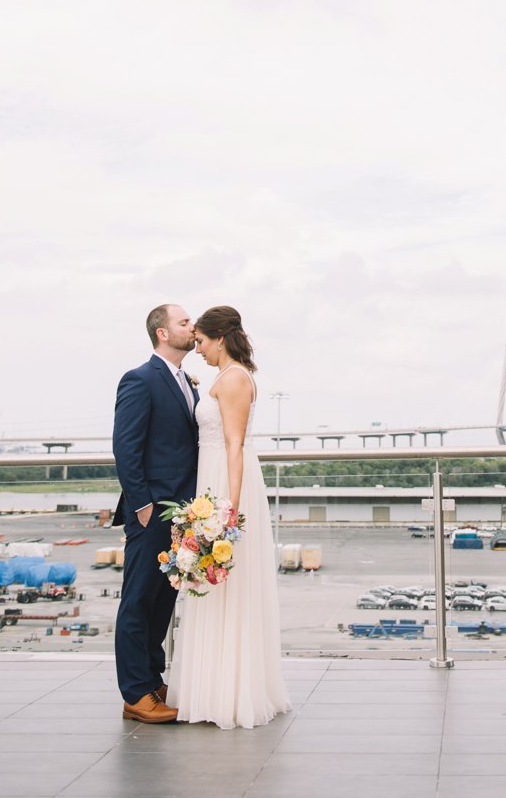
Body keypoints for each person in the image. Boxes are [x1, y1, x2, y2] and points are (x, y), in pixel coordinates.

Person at [166, 306, 291, 729]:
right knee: (213, 590)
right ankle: (213, 685)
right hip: (212, 479)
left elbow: (234, 445)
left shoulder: (235, 378)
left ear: (220, 337)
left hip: (225, 483)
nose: (196, 348)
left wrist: (228, 512)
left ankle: (228, 693)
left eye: (200, 341)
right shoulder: (223, 377)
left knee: (227, 589)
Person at [112, 303, 199, 723]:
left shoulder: (188, 383)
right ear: (163, 333)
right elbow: (125, 447)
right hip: (151, 514)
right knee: (137, 601)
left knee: (163, 601)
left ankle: (151, 680)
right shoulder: (140, 379)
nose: (193, 327)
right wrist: (143, 505)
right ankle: (134, 693)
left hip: (182, 514)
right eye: (185, 322)